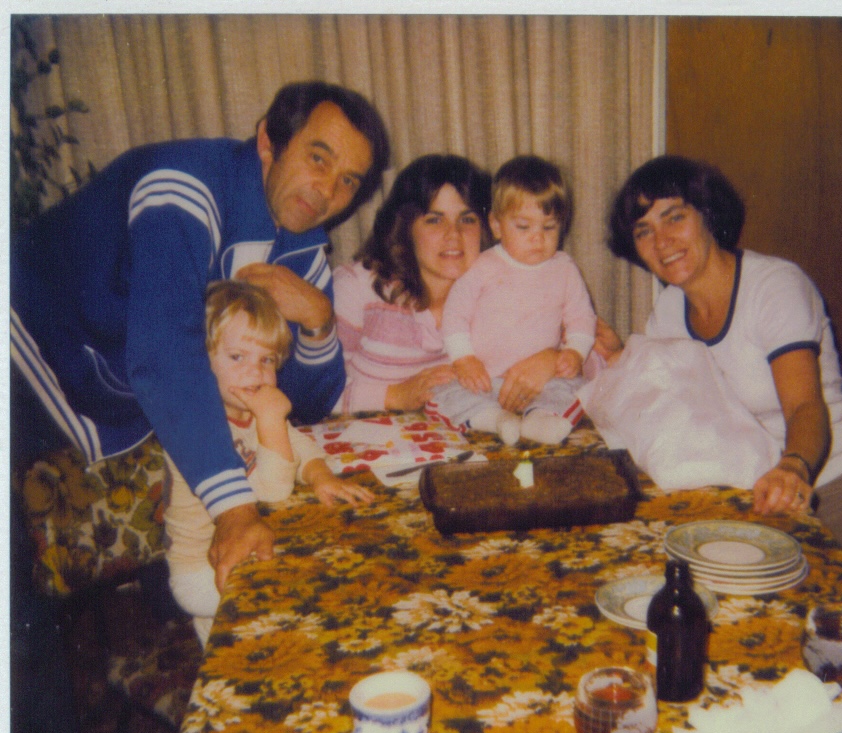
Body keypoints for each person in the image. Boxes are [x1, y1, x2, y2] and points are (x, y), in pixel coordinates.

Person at [10, 81, 389, 733]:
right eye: (318, 159)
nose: (330, 190)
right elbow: (162, 353)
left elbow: (305, 401)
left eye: (349, 180)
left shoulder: (299, 243)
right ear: (266, 141)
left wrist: (314, 318)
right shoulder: (184, 187)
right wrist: (235, 510)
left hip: (106, 390)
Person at [606, 154, 842, 655]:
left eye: (674, 216)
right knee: (762, 641)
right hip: (749, 492)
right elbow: (658, 397)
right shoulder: (670, 308)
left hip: (833, 480)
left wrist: (793, 468)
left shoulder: (774, 285)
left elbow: (805, 407)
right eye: (643, 230)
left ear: (706, 215)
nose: (662, 241)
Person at [165, 280, 373, 645]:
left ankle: (218, 650)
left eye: (266, 360)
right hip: (202, 571)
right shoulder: (196, 424)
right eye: (237, 357)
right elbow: (272, 492)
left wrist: (320, 475)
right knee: (314, 590)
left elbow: (300, 446)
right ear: (202, 360)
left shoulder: (248, 410)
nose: (255, 372)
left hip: (236, 552)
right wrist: (271, 418)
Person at [425, 155, 598, 446]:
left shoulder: (565, 269)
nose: (537, 239)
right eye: (524, 227)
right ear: (496, 225)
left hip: (542, 381)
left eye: (549, 227)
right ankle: (495, 420)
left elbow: (582, 318)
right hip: (484, 379)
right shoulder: (483, 266)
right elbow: (455, 315)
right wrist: (464, 358)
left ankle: (540, 420)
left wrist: (575, 353)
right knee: (441, 398)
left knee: (577, 389)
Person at [334, 153, 492, 413]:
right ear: (406, 227)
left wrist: (548, 361)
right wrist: (394, 396)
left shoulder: (496, 292)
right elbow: (311, 395)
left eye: (467, 219)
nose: (453, 234)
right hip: (362, 446)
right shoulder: (357, 287)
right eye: (434, 220)